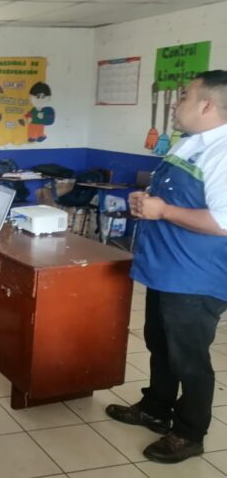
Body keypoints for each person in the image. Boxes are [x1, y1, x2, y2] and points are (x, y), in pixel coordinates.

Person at [105, 70, 227, 464]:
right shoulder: (189, 144)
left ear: (207, 105)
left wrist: (163, 211)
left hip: (195, 277)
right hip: (164, 268)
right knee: (160, 344)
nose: (176, 103)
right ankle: (156, 408)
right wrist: (146, 203)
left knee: (189, 357)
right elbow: (169, 199)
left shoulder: (223, 153)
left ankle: (189, 433)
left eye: (185, 96)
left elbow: (223, 222)